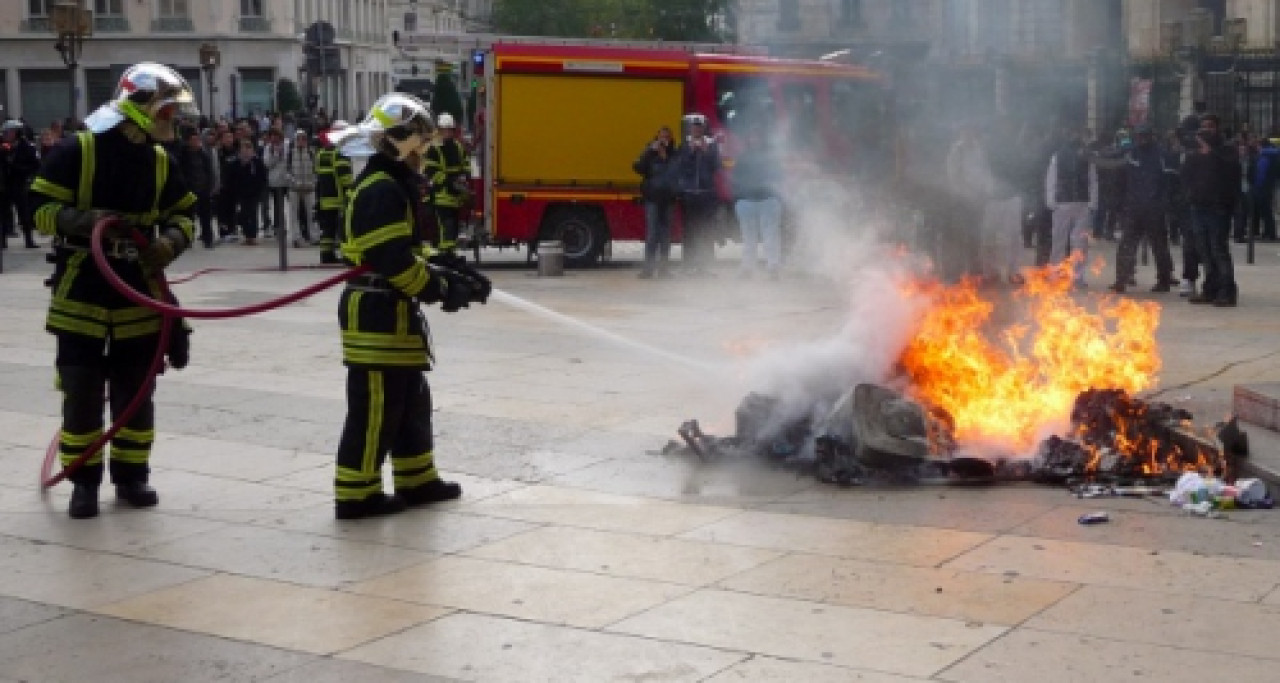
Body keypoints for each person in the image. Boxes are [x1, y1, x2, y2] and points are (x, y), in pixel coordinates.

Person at [27, 62, 198, 519]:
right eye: (167, 111)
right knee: (82, 391)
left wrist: (170, 243)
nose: (173, 121)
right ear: (142, 108)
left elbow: (185, 215)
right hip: (82, 285)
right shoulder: (78, 150)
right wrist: (83, 222)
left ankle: (132, 476)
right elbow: (37, 205)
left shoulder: (162, 161)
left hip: (138, 288)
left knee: (136, 390)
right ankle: (84, 482)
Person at [329, 93, 488, 519]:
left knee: (409, 400)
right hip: (376, 311)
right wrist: (440, 289)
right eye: (420, 144)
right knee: (377, 407)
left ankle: (416, 480)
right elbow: (391, 259)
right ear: (400, 142)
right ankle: (356, 493)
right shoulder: (381, 188)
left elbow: (406, 250)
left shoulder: (391, 181)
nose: (425, 154)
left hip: (392, 310)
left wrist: (449, 270)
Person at [1181, 117, 1240, 306]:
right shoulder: (1196, 151)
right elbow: (1185, 175)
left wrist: (1211, 152)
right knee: (1204, 250)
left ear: (1217, 128)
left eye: (1211, 127)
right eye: (1204, 127)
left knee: (1218, 249)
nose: (1207, 130)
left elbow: (1231, 171)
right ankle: (1210, 288)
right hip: (1198, 206)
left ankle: (1227, 291)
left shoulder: (1226, 149)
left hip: (1218, 207)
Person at [1109, 125, 1175, 293]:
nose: (1142, 139)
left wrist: (1163, 204)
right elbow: (1119, 179)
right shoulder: (1130, 154)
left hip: (1154, 208)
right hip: (1133, 207)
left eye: (1145, 136)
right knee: (1126, 244)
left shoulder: (1161, 155)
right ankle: (1121, 278)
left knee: (1159, 245)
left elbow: (1169, 181)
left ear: (1152, 136)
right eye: (1139, 136)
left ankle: (1164, 279)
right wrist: (1120, 203)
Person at [1045, 127, 1098, 289]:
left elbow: (1092, 180)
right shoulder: (1058, 156)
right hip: (1064, 202)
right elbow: (1052, 179)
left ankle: (1077, 276)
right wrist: (1051, 200)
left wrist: (1092, 203)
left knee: (1079, 242)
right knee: (1061, 241)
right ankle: (1057, 273)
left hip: (1079, 203)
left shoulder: (1085, 158)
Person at [730, 124, 784, 279]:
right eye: (752, 137)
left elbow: (779, 176)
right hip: (747, 201)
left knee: (771, 236)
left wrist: (775, 196)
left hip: (768, 200)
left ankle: (773, 267)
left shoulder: (770, 157)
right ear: (749, 140)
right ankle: (748, 268)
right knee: (748, 238)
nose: (755, 139)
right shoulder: (743, 158)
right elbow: (735, 178)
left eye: (758, 136)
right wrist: (738, 198)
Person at [676, 113, 721, 276]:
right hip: (689, 194)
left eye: (699, 127)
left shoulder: (712, 144)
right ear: (691, 129)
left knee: (706, 230)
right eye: (694, 127)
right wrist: (691, 152)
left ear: (703, 128)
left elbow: (717, 166)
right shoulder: (685, 145)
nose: (696, 130)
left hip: (706, 193)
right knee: (689, 230)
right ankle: (688, 264)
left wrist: (706, 152)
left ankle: (705, 265)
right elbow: (680, 166)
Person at [632, 125, 679, 278]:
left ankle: (664, 269)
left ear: (670, 139)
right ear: (656, 138)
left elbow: (677, 171)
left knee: (666, 235)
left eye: (666, 137)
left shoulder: (674, 153)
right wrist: (649, 151)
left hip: (668, 199)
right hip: (652, 198)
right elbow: (638, 167)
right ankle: (648, 269)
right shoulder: (650, 153)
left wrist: (666, 157)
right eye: (661, 137)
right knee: (652, 234)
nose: (664, 139)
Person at [315, 120, 353, 264]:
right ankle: (345, 254)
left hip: (325, 197)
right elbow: (345, 177)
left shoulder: (321, 153)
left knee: (328, 228)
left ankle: (326, 254)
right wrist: (352, 190)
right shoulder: (340, 152)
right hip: (339, 197)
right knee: (343, 227)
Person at [176, 127, 217, 248]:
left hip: (203, 189)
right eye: (193, 139)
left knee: (206, 216)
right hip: (189, 190)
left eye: (197, 139)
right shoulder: (183, 155)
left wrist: (209, 186)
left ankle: (208, 239)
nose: (196, 142)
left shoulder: (203, 154)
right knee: (189, 217)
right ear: (188, 141)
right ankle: (188, 239)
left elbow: (209, 171)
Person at [2, 120, 41, 248]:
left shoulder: (27, 147)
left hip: (20, 183)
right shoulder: (3, 147)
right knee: (3, 213)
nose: (6, 135)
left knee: (24, 213)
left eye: (9, 132)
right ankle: (2, 241)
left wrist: (15, 167)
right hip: (5, 184)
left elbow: (34, 166)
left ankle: (29, 240)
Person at [225, 138, 268, 245]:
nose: (246, 151)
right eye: (244, 148)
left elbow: (262, 177)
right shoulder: (236, 162)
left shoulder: (256, 162)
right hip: (241, 192)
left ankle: (252, 236)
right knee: (243, 213)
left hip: (254, 192)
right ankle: (246, 233)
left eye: (249, 148)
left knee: (253, 213)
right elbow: (231, 177)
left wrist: (259, 188)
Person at [285, 130, 318, 247]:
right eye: (299, 139)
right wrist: (295, 182)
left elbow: (316, 169)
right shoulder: (290, 153)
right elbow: (287, 171)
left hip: (309, 188)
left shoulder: (311, 152)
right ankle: (296, 237)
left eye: (304, 139)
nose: (301, 141)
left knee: (312, 213)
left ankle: (314, 236)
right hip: (294, 189)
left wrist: (313, 182)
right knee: (294, 214)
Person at [262, 129, 291, 243]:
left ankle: (285, 226)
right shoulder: (268, 148)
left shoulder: (287, 145)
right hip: (274, 181)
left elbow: (289, 160)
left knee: (287, 204)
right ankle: (278, 227)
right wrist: (275, 154)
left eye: (276, 136)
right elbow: (267, 164)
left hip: (286, 180)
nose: (274, 138)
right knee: (277, 205)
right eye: (272, 136)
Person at [1248, 138, 1279, 241]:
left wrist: (1256, 186)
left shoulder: (1264, 156)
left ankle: (1269, 233)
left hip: (1261, 188)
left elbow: (1261, 174)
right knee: (1267, 211)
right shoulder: (1274, 155)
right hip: (1270, 186)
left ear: (1260, 146)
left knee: (1265, 211)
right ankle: (1269, 232)